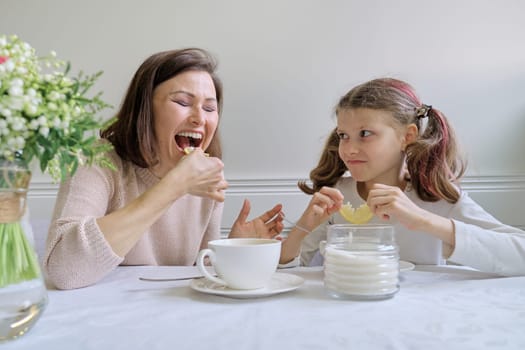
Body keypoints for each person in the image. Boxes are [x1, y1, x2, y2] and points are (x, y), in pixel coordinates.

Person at [44, 48, 283, 290]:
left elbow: (199, 275)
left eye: (209, 108)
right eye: (182, 102)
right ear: (144, 109)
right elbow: (64, 271)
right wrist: (174, 186)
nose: (200, 119)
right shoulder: (95, 159)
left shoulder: (208, 175)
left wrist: (234, 249)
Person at [278, 77, 525, 276]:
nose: (349, 149)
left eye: (365, 133)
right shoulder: (338, 196)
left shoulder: (437, 197)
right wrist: (302, 228)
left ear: (407, 136)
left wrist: (423, 219)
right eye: (343, 135)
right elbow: (291, 271)